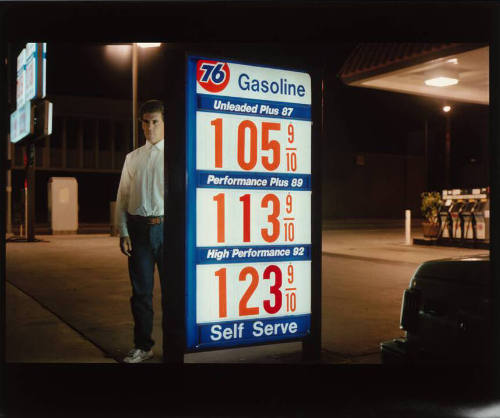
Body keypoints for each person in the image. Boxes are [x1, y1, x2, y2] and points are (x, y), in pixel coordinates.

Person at [116, 99, 166, 363]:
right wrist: (123, 231)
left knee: (174, 293)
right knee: (141, 293)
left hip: (169, 229)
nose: (150, 128)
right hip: (139, 231)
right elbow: (123, 196)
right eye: (146, 122)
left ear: (164, 122)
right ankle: (143, 345)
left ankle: (175, 346)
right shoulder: (133, 158)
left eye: (155, 121)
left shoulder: (176, 156)